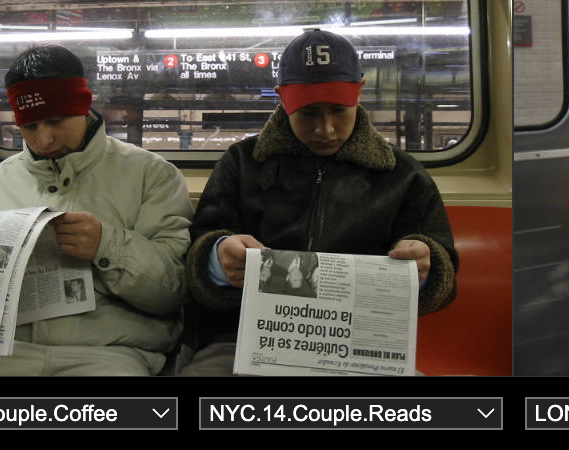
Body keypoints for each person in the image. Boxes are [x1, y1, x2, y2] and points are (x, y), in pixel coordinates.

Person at [0, 45, 193, 377]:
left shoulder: (151, 175)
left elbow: (174, 291)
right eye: (29, 126)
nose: (44, 139)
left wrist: (106, 245)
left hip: (106, 351)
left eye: (55, 121)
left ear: (82, 108)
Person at [181, 28, 457, 376]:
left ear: (360, 93)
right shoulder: (242, 164)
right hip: (243, 339)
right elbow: (196, 252)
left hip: (363, 346)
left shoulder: (402, 176)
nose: (325, 129)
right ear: (282, 99)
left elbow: (443, 281)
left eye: (339, 111)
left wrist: (422, 269)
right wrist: (218, 259)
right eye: (309, 113)